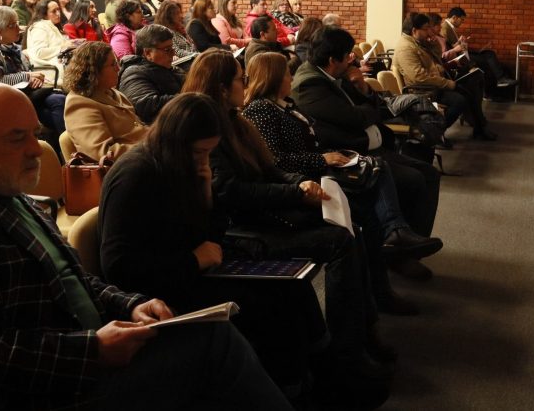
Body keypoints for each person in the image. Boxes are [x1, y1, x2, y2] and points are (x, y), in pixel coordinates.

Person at [0, 82, 288, 410]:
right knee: (214, 346)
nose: (38, 149)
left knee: (213, 334)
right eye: (17, 138)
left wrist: (131, 304)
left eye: (34, 133)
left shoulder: (12, 197)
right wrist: (91, 349)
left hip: (77, 360)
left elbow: (77, 280)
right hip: (31, 394)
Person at [179, 50, 397, 390]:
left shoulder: (235, 120)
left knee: (350, 225)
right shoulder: (207, 128)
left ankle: (363, 333)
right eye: (239, 79)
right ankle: (347, 353)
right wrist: (295, 193)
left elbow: (270, 169)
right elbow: (230, 193)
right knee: (341, 241)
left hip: (261, 214)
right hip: (240, 230)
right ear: (222, 88)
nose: (245, 83)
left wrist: (298, 184)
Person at [244, 52, 443, 280]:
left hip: (316, 165)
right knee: (373, 192)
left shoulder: (285, 104)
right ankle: (394, 238)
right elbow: (276, 161)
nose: (291, 79)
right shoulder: (261, 110)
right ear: (274, 78)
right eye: (287, 74)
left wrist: (329, 154)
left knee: (377, 166)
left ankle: (397, 232)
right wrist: (323, 159)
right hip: (303, 179)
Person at [291, 27, 442, 271]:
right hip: (349, 154)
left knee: (429, 175)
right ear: (333, 60)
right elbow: (357, 118)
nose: (353, 59)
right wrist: (368, 111)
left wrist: (362, 86)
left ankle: (406, 249)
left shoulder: (335, 76)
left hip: (371, 146)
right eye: (348, 54)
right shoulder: (309, 84)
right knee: (413, 179)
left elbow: (376, 106)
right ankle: (398, 244)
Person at [393, 13, 495, 141]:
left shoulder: (417, 42)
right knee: (461, 99)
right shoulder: (406, 48)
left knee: (473, 83)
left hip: (434, 85)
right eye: (426, 29)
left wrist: (434, 43)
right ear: (414, 30)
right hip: (422, 90)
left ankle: (479, 127)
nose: (429, 32)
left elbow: (438, 59)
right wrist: (448, 83)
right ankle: (433, 131)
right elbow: (419, 77)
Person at [0, 6, 65, 139]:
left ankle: (65, 148)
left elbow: (26, 73)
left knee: (61, 100)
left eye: (18, 24)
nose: (19, 29)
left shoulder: (14, 48)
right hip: (6, 102)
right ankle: (67, 148)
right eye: (13, 25)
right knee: (58, 105)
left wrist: (34, 79)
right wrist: (27, 76)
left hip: (28, 95)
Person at [63, 41, 148, 159]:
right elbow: (102, 152)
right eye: (113, 64)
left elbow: (137, 130)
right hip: (127, 168)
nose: (118, 68)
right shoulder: (80, 103)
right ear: (94, 70)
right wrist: (150, 149)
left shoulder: (112, 93)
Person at [118, 24, 186, 124]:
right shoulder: (133, 73)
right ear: (148, 53)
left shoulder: (169, 68)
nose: (173, 54)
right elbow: (146, 106)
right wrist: (188, 97)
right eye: (167, 50)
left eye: (172, 48)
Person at [439, 8, 515, 96]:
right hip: (458, 57)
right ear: (454, 17)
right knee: (487, 60)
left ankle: (499, 81)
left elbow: (452, 45)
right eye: (462, 20)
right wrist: (459, 44)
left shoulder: (449, 27)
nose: (462, 23)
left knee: (489, 54)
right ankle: (497, 83)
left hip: (461, 54)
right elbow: (447, 48)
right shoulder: (445, 28)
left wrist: (460, 42)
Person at [23, 0, 79, 82]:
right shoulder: (39, 27)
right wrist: (62, 47)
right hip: (49, 72)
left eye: (58, 10)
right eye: (54, 11)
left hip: (60, 65)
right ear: (44, 14)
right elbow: (39, 52)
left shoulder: (52, 26)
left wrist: (69, 44)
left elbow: (57, 45)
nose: (58, 13)